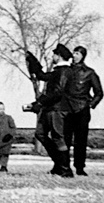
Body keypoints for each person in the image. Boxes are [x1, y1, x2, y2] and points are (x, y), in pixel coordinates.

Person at [28, 47, 75, 177]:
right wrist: (33, 62)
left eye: (54, 54)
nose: (52, 57)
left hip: (58, 109)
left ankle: (64, 169)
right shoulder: (59, 71)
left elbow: (58, 92)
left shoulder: (64, 71)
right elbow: (42, 76)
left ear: (58, 56)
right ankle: (59, 165)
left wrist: (40, 102)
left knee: (58, 138)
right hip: (51, 108)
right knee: (40, 134)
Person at [61, 46, 103, 176]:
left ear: (82, 55)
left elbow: (99, 92)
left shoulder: (89, 73)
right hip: (67, 109)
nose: (74, 56)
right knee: (65, 140)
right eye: (74, 53)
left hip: (82, 110)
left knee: (81, 141)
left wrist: (91, 104)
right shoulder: (66, 71)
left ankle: (80, 167)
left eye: (77, 53)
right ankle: (64, 166)